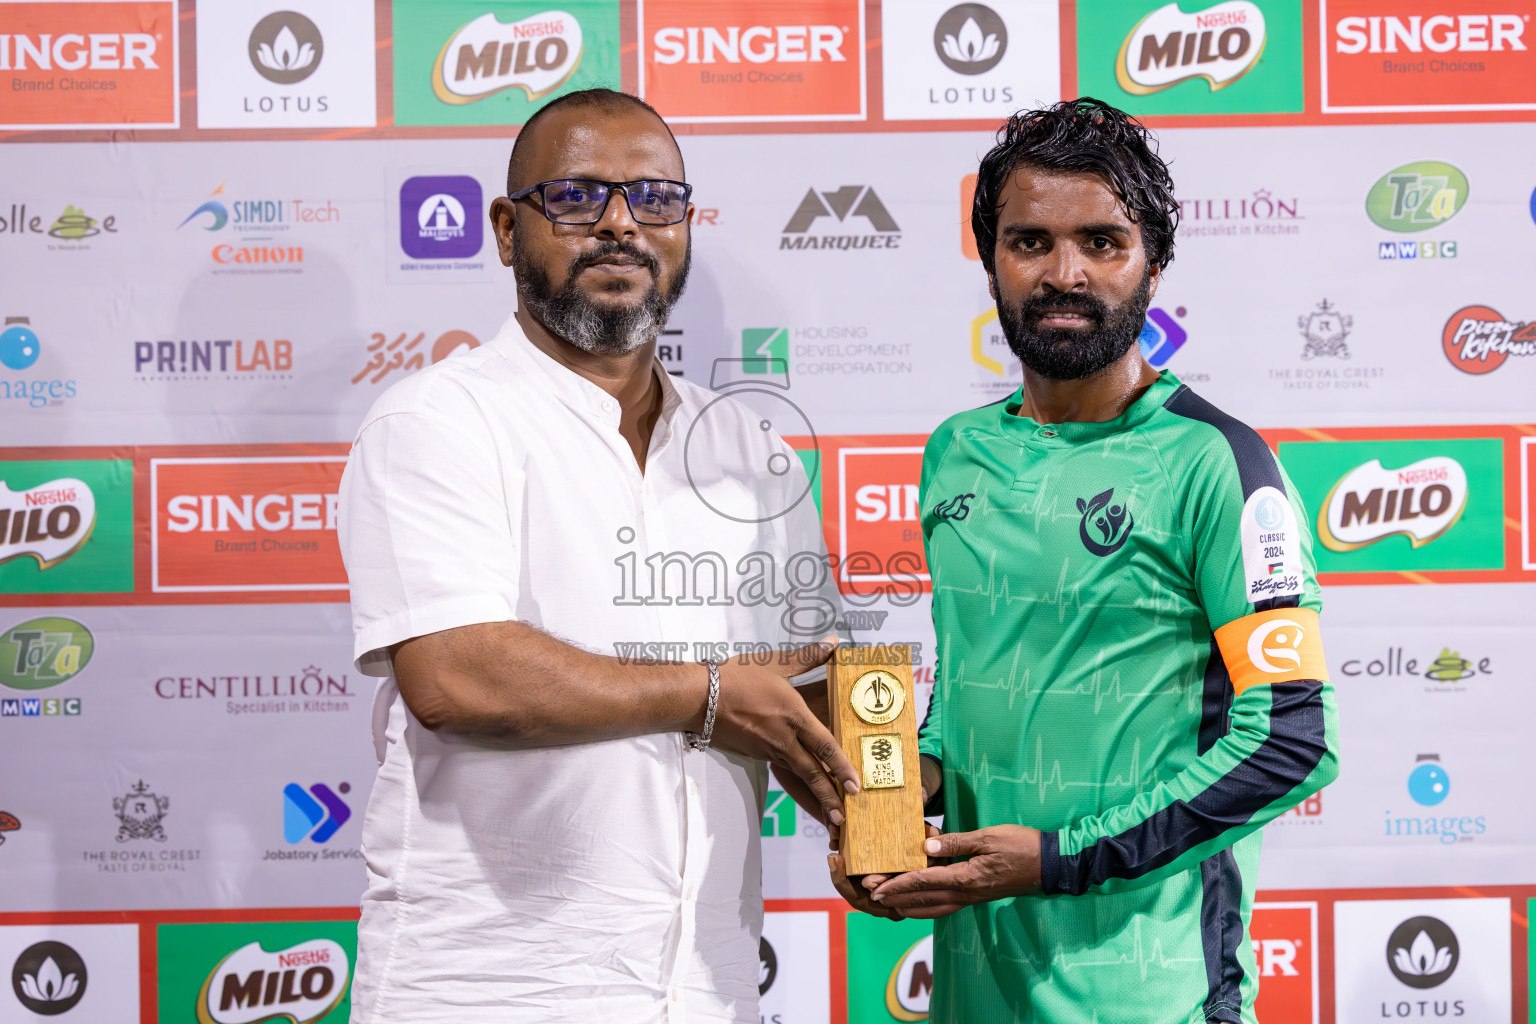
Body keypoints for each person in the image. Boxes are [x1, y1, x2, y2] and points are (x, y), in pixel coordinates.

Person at [339, 88, 858, 1024]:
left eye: (655, 199)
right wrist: (710, 693)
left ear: (686, 226)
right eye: (577, 197)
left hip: (705, 987)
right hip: (486, 991)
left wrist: (885, 812)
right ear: (506, 228)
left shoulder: (751, 447)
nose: (622, 225)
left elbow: (802, 693)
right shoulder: (437, 420)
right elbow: (458, 678)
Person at [834, 98, 1340, 1023]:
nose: (1065, 274)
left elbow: (1291, 743)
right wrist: (895, 797)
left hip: (1156, 996)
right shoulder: (956, 452)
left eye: (1103, 241)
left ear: (1154, 262)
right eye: (1030, 242)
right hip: (975, 994)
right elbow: (972, 703)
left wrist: (1061, 859)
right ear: (989, 257)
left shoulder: (1219, 466)